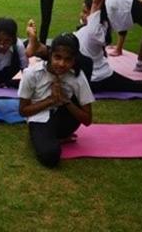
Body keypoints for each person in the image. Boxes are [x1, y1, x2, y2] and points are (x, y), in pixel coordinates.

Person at [18, 33, 95, 168]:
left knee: (83, 74)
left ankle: (56, 137)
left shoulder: (76, 77)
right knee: (50, 156)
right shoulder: (32, 73)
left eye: (67, 60)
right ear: (50, 55)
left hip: (65, 121)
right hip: (40, 118)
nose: (62, 64)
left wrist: (65, 100)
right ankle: (43, 137)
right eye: (57, 57)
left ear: (74, 60)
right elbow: (23, 111)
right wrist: (50, 100)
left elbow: (87, 120)